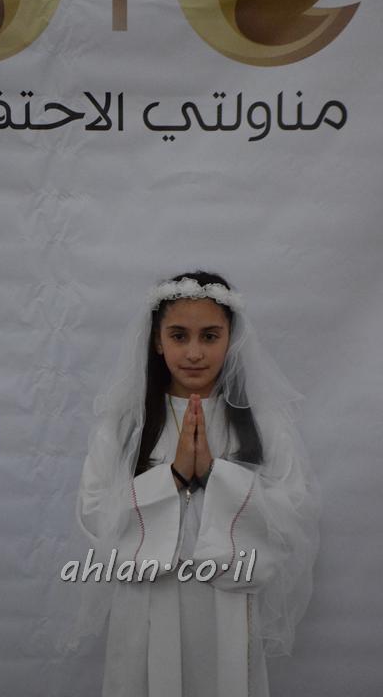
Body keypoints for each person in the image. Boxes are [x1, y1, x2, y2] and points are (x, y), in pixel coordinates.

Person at [60, 270, 321, 697]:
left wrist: (216, 475)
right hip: (146, 604)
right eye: (179, 336)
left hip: (226, 606)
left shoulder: (264, 424)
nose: (195, 353)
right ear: (157, 341)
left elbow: (292, 514)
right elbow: (93, 515)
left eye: (210, 336)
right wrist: (175, 475)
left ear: (231, 340)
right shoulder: (124, 426)